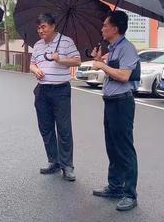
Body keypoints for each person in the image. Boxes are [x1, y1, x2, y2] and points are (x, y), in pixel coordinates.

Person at [91, 11, 140, 211]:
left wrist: (102, 64)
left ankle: (130, 193)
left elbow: (124, 75)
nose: (102, 28)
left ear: (115, 28)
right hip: (110, 101)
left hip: (122, 103)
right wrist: (99, 59)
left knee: (124, 148)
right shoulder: (113, 48)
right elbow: (111, 71)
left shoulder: (127, 48)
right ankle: (115, 186)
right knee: (112, 146)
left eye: (105, 25)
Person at [29, 13, 81, 181]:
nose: (40, 30)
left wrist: (61, 59)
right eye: (38, 28)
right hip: (42, 91)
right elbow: (32, 63)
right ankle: (54, 161)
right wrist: (36, 70)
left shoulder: (66, 41)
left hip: (60, 90)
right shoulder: (37, 45)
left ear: (52, 26)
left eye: (43, 26)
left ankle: (67, 166)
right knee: (46, 128)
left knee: (64, 129)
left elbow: (77, 61)